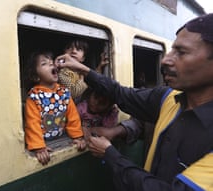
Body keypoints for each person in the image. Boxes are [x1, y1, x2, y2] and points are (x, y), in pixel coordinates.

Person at [55, 13, 213, 191]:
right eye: (171, 50)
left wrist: (110, 154)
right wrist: (84, 70)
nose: (166, 59)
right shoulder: (168, 98)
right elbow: (121, 94)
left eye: (181, 52)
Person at [24, 50, 86, 165]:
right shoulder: (34, 97)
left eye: (51, 62)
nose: (51, 64)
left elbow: (73, 117)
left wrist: (77, 136)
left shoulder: (64, 92)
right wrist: (39, 147)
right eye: (44, 64)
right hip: (43, 142)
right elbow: (32, 123)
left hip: (60, 137)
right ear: (35, 76)